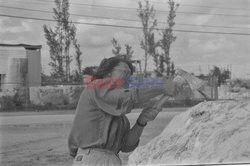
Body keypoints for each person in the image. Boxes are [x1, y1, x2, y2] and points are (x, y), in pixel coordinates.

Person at [68, 57, 183, 166]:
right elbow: (127, 97)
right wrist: (162, 84)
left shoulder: (119, 117)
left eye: (130, 75)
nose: (128, 78)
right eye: (125, 72)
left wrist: (141, 122)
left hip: (110, 158)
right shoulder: (95, 86)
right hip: (93, 158)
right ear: (108, 72)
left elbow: (126, 146)